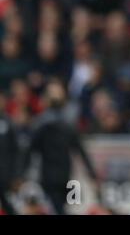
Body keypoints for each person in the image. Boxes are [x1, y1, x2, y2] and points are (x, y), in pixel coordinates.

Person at [21, 79, 98, 215]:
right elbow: (79, 150)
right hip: (60, 175)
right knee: (60, 207)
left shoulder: (44, 124)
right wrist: (92, 173)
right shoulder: (60, 124)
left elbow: (31, 151)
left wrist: (22, 173)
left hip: (54, 176)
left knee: (60, 207)